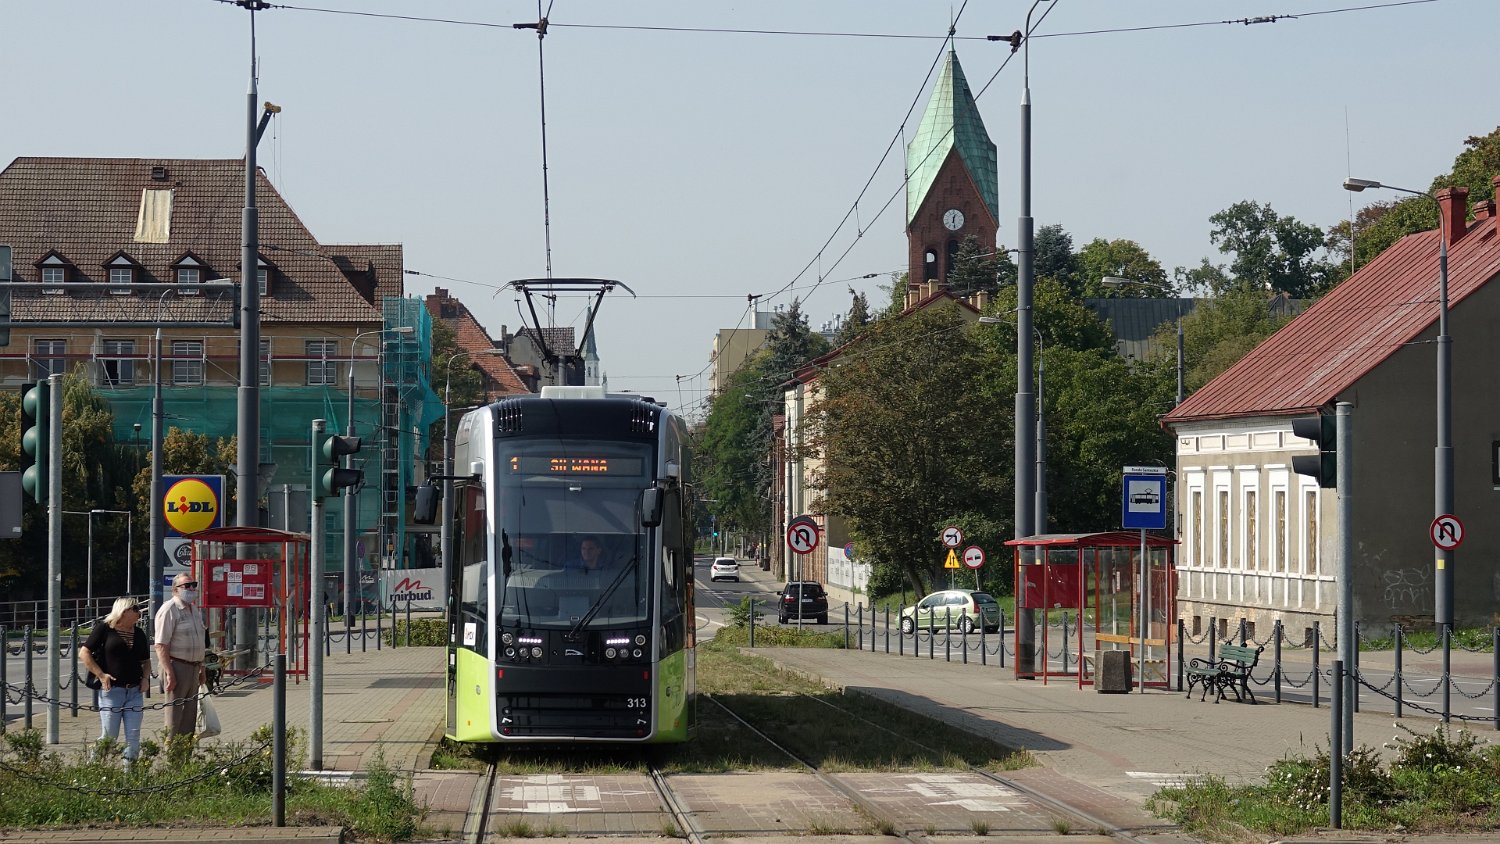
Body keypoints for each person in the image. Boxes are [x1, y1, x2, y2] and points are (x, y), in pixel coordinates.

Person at [79, 597, 151, 768]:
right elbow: (84, 653)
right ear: (124, 611)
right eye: (135, 609)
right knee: (109, 736)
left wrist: (145, 679)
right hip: (112, 691)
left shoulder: (139, 633)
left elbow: (146, 661)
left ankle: (129, 774)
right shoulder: (105, 629)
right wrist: (101, 675)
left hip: (134, 691)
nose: (139, 613)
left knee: (133, 736)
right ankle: (92, 768)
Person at [154, 573, 207, 737]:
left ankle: (185, 750)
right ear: (175, 589)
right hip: (177, 666)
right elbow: (161, 644)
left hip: (194, 666)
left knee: (190, 715)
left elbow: (200, 641)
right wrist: (169, 673)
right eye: (187, 586)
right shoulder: (169, 609)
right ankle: (171, 750)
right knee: (174, 715)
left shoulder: (194, 610)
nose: (191, 589)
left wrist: (202, 667)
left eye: (194, 585)